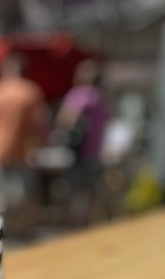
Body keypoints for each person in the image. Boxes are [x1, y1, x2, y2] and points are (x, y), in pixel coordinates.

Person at [0, 53, 49, 233]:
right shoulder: (31, 91)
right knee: (28, 194)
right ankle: (24, 230)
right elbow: (40, 124)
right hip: (24, 152)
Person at [54, 59, 111, 226]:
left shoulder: (79, 94)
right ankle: (88, 227)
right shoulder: (102, 98)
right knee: (90, 193)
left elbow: (65, 121)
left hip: (79, 152)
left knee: (72, 193)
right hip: (95, 153)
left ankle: (72, 228)